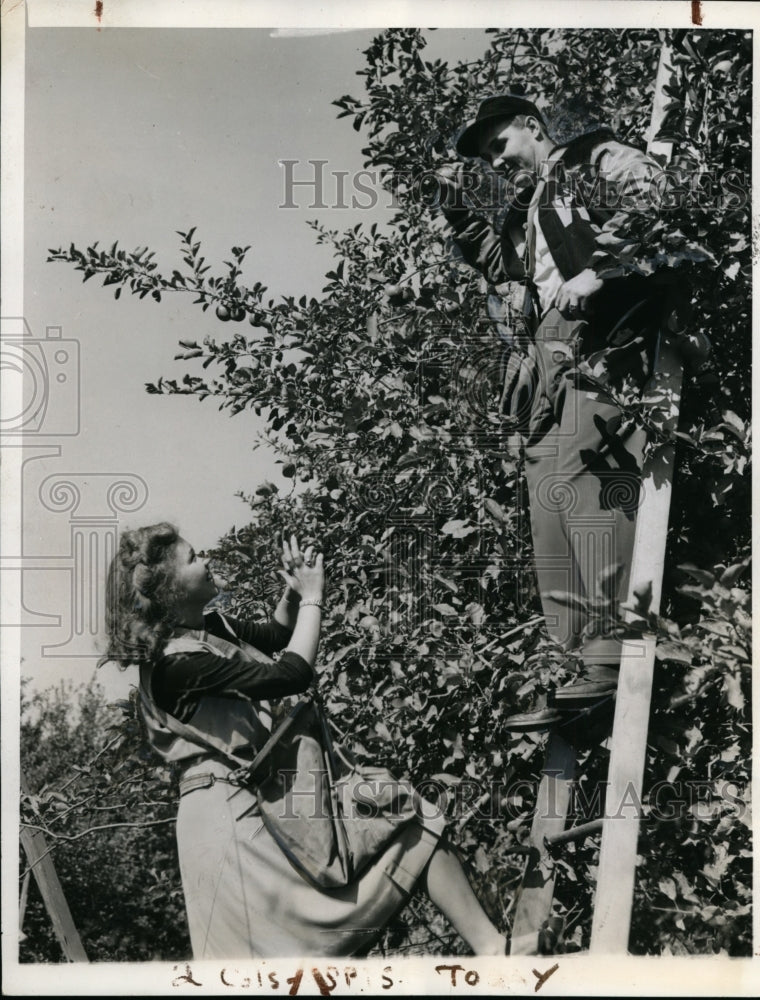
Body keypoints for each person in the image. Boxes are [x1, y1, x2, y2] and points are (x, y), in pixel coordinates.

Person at [102, 522, 530, 957]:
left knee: (403, 815)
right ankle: (492, 948)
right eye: (193, 558)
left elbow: (278, 636)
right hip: (227, 822)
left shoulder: (209, 629)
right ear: (171, 590)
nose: (207, 560)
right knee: (261, 959)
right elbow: (291, 673)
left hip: (252, 801)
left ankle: (493, 947)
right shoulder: (177, 667)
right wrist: (312, 596)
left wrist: (291, 593)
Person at [436, 94, 696, 726]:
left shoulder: (591, 159)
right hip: (548, 362)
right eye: (488, 159)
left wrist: (600, 271)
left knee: (587, 482)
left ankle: (612, 654)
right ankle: (573, 659)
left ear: (533, 126)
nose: (498, 163)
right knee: (546, 492)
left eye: (500, 146)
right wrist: (458, 209)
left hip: (605, 343)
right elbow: (503, 269)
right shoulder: (526, 212)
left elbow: (658, 197)